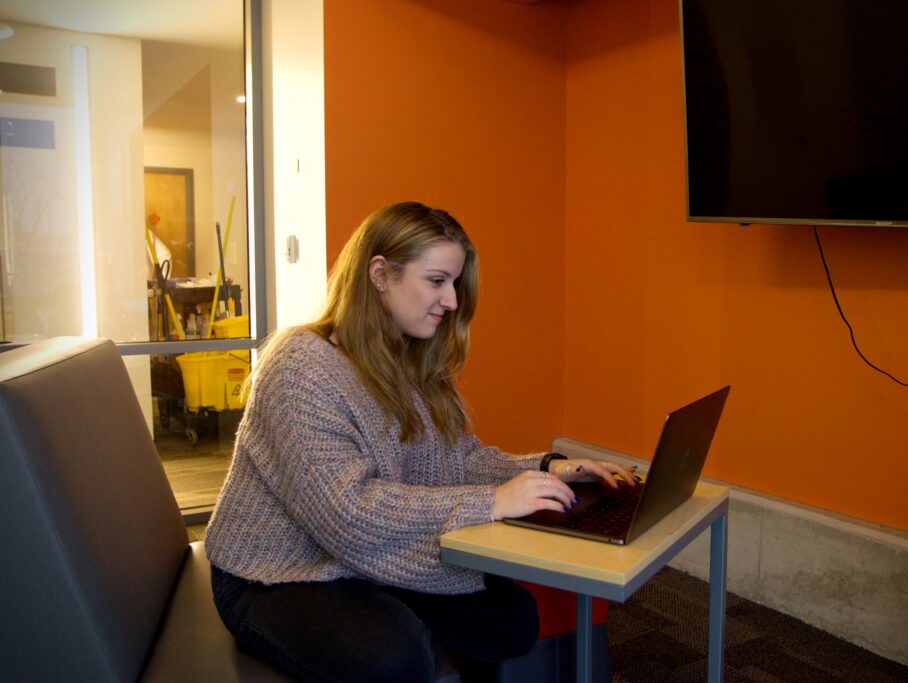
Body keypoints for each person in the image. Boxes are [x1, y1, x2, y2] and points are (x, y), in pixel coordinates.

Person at [204, 201, 638, 683]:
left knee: (510, 621)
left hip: (367, 549)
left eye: (453, 283)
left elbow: (458, 460)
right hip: (276, 572)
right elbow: (348, 511)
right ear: (380, 274)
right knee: (395, 656)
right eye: (437, 281)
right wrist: (493, 502)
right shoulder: (300, 367)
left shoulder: (411, 358)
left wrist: (546, 467)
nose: (451, 300)